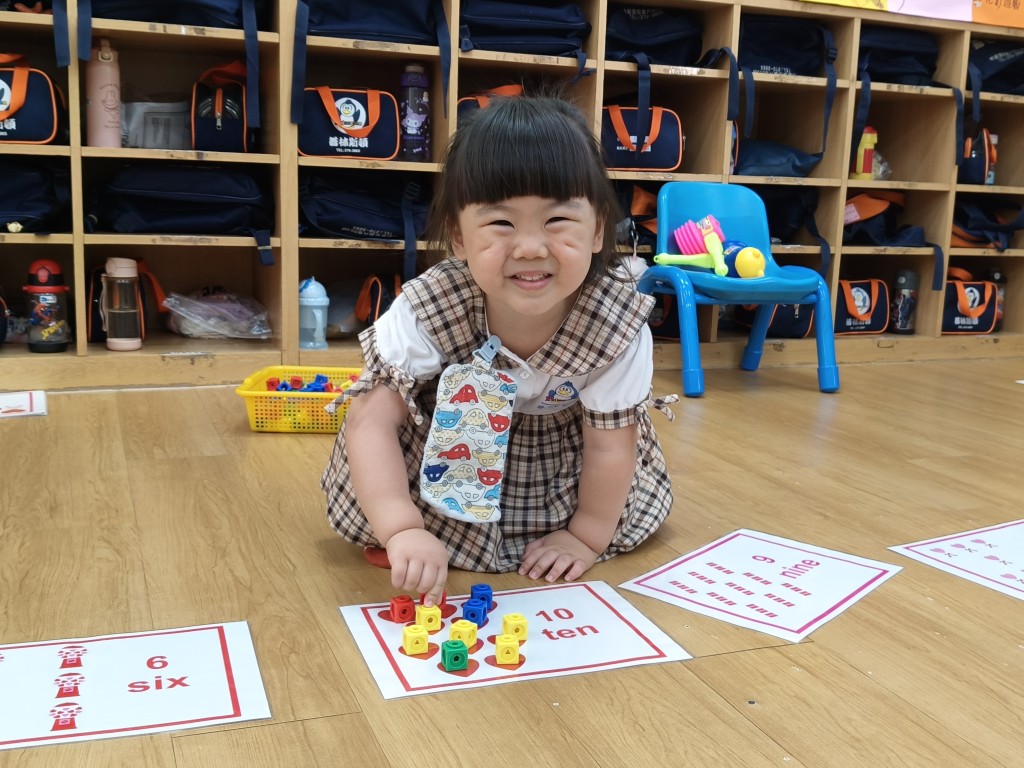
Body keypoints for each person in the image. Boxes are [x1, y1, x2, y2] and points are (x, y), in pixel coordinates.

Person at [321, 90, 673, 606]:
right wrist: (400, 528)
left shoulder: (617, 322)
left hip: (561, 464)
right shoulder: (428, 306)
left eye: (557, 220)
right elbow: (370, 421)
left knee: (620, 507)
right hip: (448, 447)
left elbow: (609, 446)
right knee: (376, 485)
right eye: (501, 223)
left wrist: (586, 537)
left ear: (598, 229)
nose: (530, 247)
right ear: (459, 238)